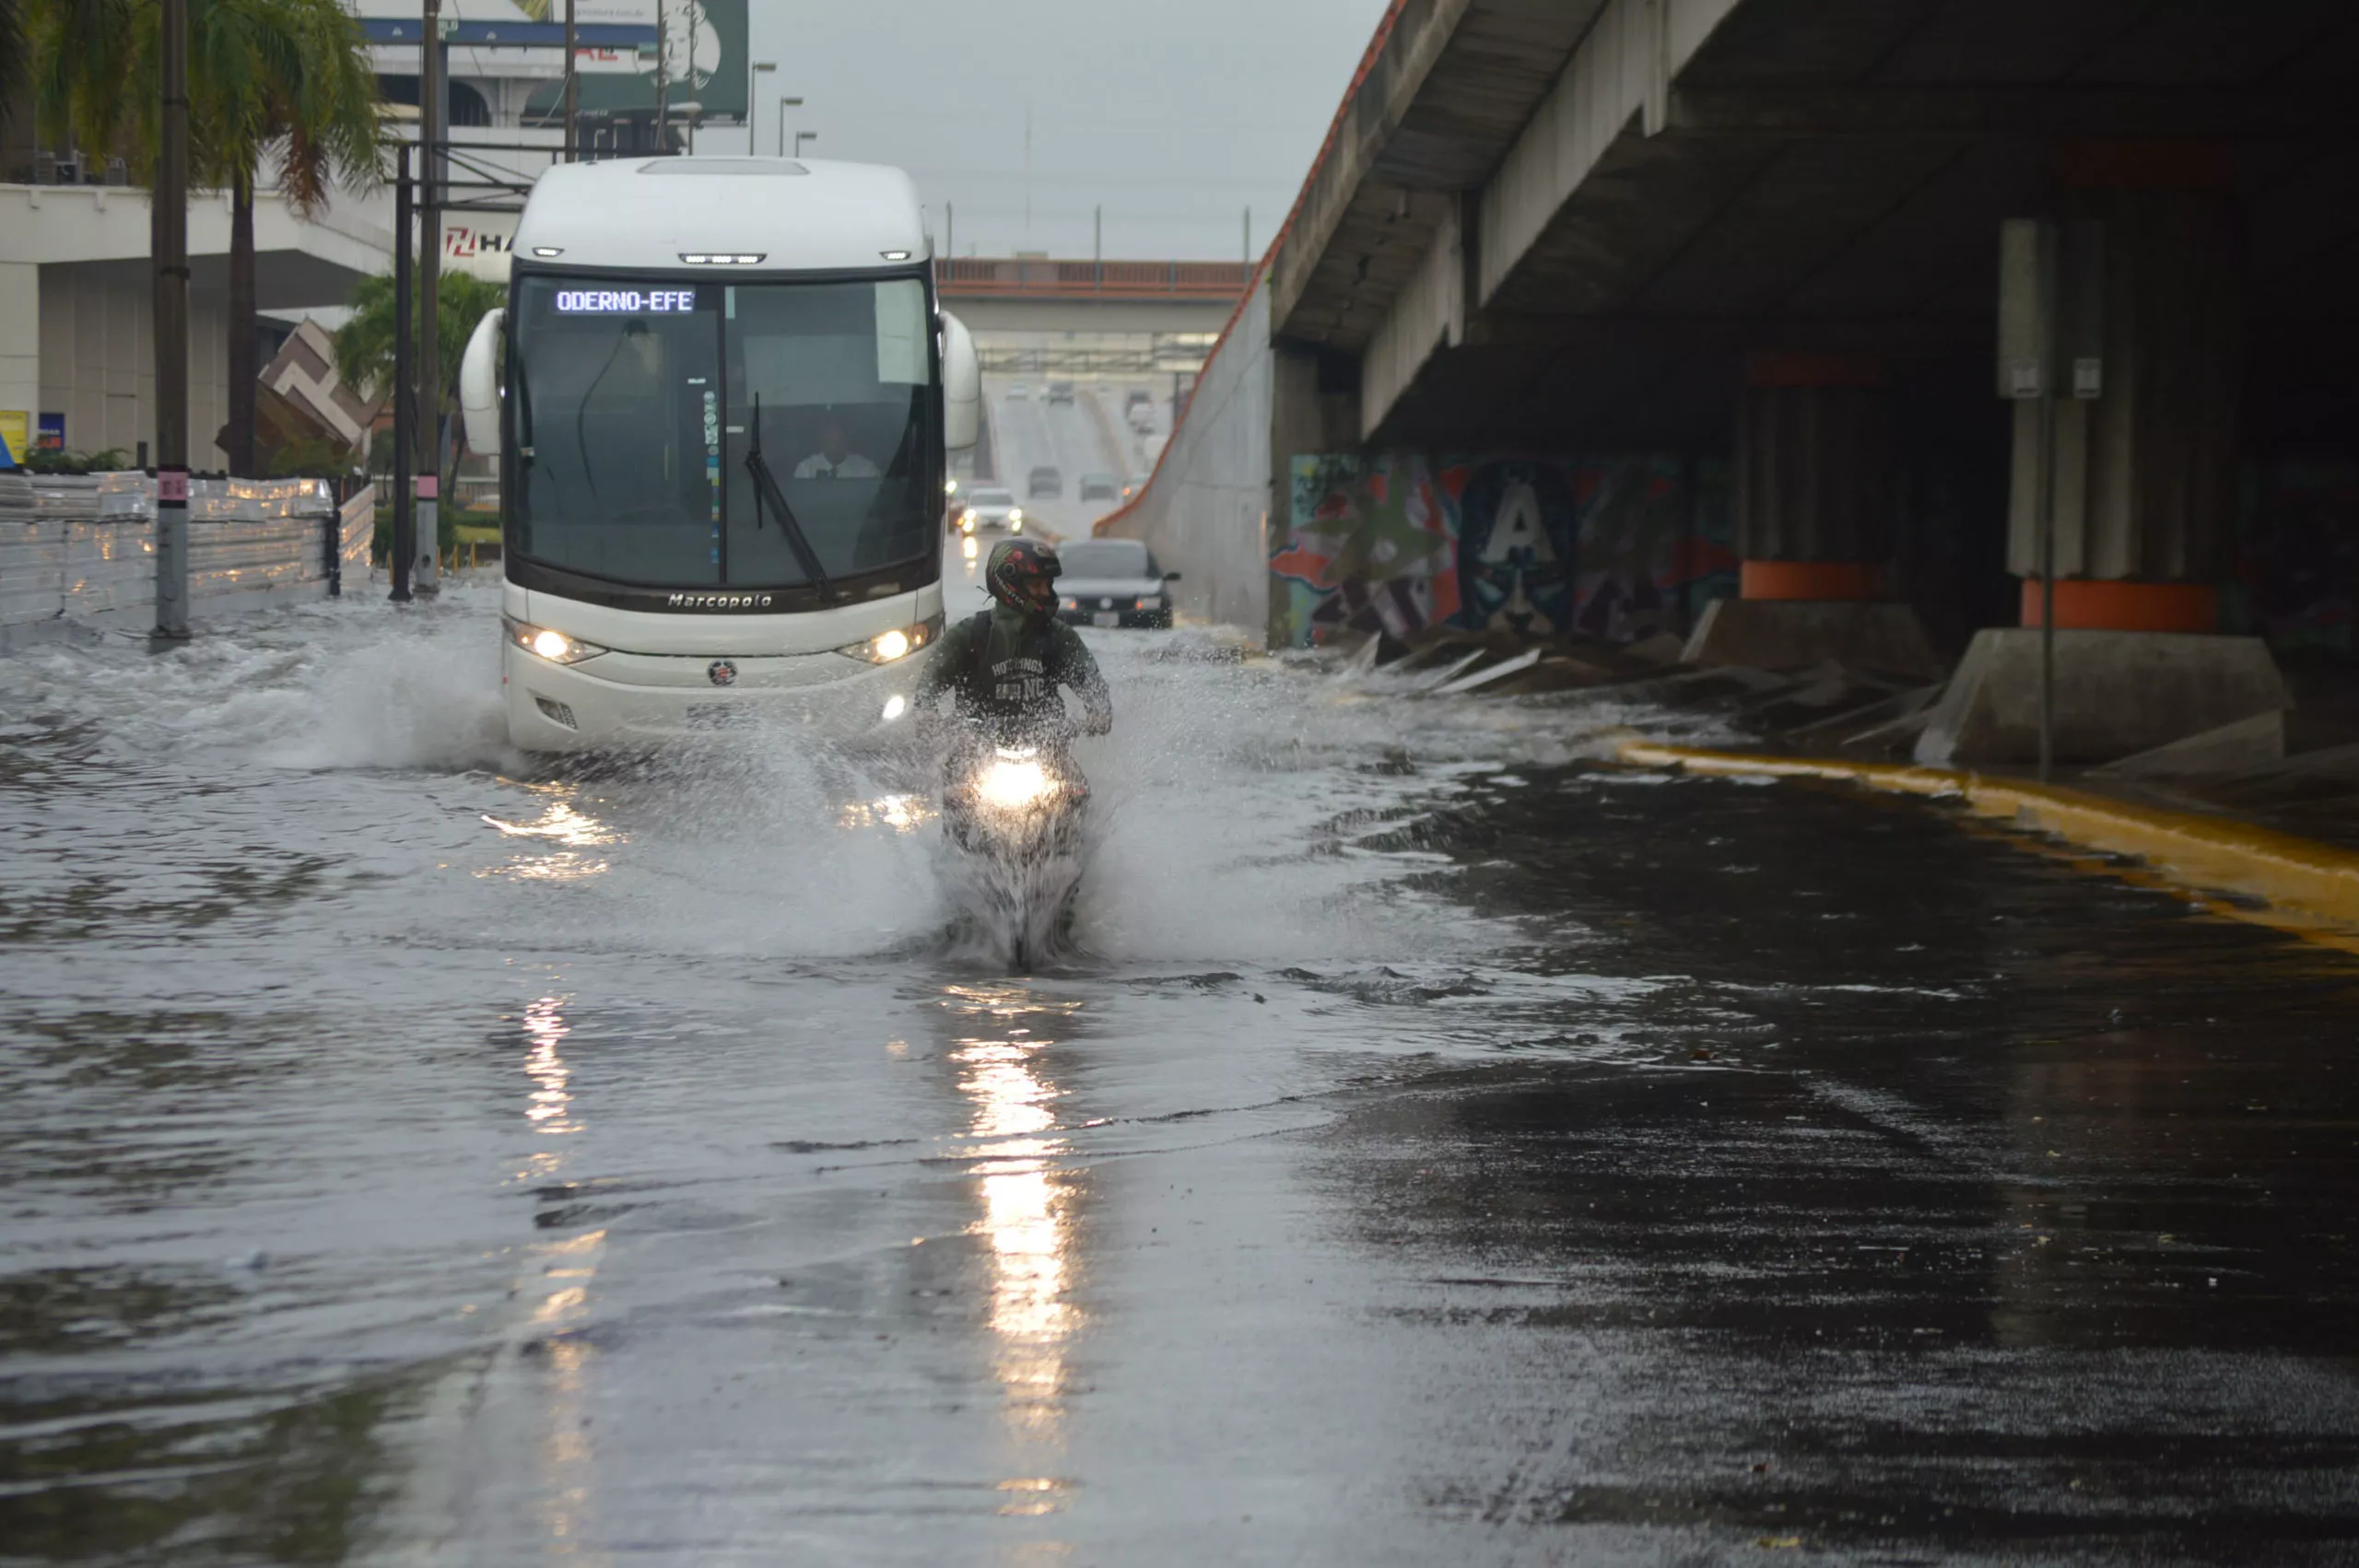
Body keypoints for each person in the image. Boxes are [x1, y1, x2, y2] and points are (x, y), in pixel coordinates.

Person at [914, 539, 1111, 741]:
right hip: (974, 749)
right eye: (1036, 585)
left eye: (1048, 584)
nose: (1045, 593)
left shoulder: (1060, 636)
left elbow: (1087, 675)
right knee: (944, 770)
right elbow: (933, 675)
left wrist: (1099, 709)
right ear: (1009, 584)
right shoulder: (969, 634)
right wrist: (926, 711)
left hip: (1047, 747)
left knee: (1072, 774)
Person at [794, 417, 880, 479]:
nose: (834, 447)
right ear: (821, 443)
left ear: (847, 442)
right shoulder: (806, 468)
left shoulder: (866, 469)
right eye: (829, 442)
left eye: (840, 443)